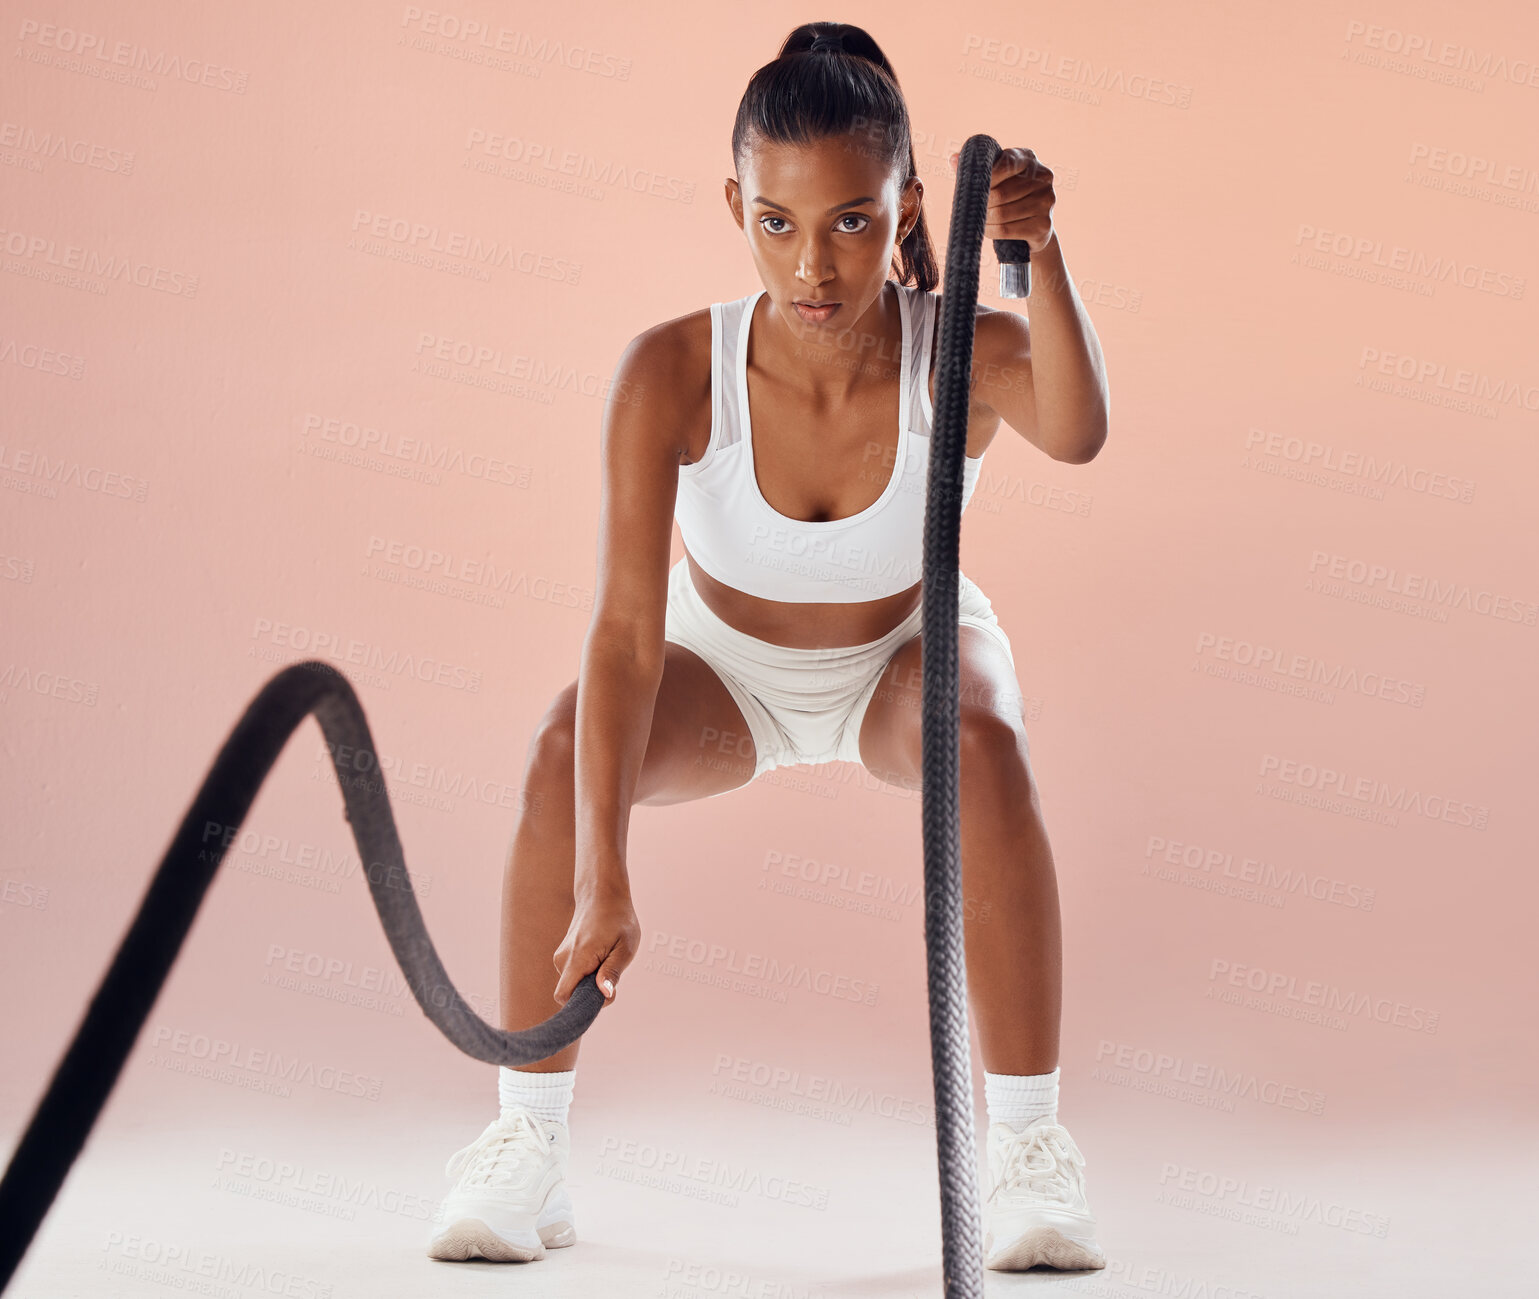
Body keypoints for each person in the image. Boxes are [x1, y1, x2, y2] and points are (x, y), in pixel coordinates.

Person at [426, 20, 1110, 1273]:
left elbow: (1076, 430)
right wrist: (606, 875)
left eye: (853, 222)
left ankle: (1027, 1148)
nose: (814, 265)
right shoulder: (670, 370)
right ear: (736, 204)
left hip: (905, 650)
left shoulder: (950, 352)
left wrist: (1040, 257)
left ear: (905, 209)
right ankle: (527, 1142)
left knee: (991, 737)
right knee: (558, 746)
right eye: (780, 223)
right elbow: (629, 630)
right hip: (723, 672)